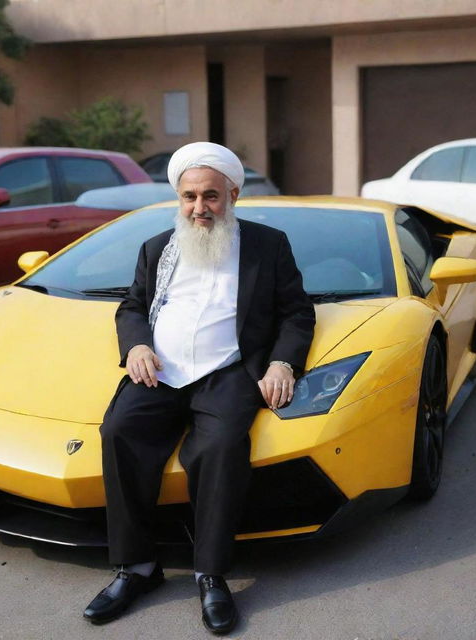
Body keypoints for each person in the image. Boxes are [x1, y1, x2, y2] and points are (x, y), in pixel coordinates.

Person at [84, 142, 315, 634]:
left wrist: (281, 363)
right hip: (160, 372)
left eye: (210, 196)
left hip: (227, 372)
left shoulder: (267, 245)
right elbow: (131, 307)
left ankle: (210, 574)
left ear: (232, 194)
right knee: (119, 431)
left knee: (221, 448)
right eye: (189, 197)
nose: (199, 208)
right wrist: (136, 348)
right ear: (179, 198)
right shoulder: (158, 248)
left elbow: (297, 311)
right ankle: (137, 568)